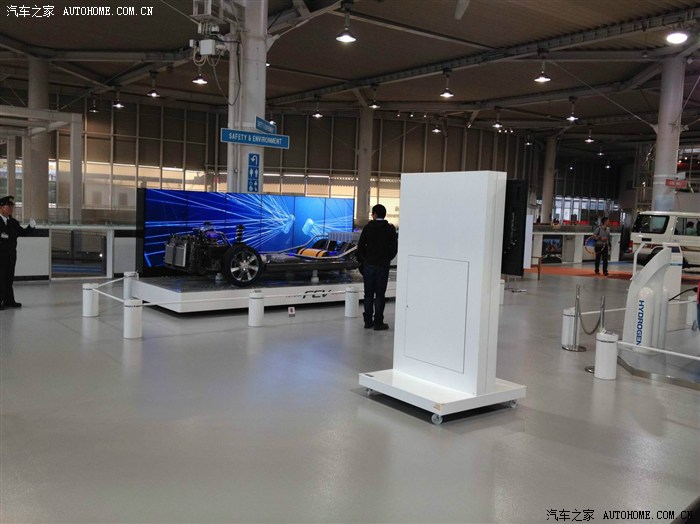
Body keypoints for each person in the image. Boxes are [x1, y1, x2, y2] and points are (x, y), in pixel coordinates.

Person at [357, 204, 398, 331]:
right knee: (380, 294)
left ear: (374, 214)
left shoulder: (367, 228)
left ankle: (368, 321)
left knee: (368, 294)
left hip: (369, 265)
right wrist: (386, 259)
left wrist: (365, 260)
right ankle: (378, 322)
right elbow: (394, 248)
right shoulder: (390, 229)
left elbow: (360, 247)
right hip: (383, 265)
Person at [0, 196, 35, 310]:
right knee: (1, 279)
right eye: (8, 206)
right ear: (1, 207)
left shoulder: (13, 222)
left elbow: (22, 232)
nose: (11, 208)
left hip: (10, 257)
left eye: (12, 206)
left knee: (8, 279)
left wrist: (31, 227)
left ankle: (9, 301)